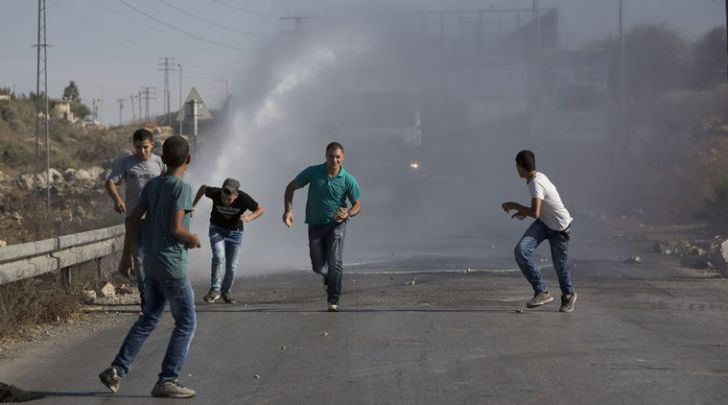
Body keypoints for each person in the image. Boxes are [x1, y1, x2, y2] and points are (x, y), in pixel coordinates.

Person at [99, 135, 201, 398]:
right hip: (171, 266)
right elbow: (176, 228)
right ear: (188, 160)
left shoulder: (154, 185)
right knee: (187, 322)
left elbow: (132, 220)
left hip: (152, 263)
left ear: (162, 160)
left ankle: (117, 369)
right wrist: (191, 238)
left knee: (149, 317)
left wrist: (126, 256)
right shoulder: (182, 189)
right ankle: (167, 379)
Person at [283, 142, 361, 312]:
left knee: (336, 261)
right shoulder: (313, 172)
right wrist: (288, 210)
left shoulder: (348, 179)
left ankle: (333, 298)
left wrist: (348, 213)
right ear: (325, 156)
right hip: (315, 224)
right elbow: (290, 187)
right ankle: (327, 277)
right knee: (318, 266)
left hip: (337, 225)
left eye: (338, 156)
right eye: (331, 156)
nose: (334, 160)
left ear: (343, 157)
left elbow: (357, 205)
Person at [501, 150, 577, 312]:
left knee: (560, 265)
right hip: (544, 223)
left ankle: (568, 295)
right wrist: (523, 212)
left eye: (516, 166)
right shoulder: (535, 179)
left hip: (559, 227)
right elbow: (539, 211)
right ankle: (541, 291)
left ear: (522, 167)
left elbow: (535, 212)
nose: (516, 169)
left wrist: (514, 205)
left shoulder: (536, 183)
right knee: (521, 250)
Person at [105, 128, 165, 303]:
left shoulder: (160, 163)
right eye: (138, 147)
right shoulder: (126, 163)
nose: (142, 151)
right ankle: (145, 295)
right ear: (134, 146)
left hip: (156, 219)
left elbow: (171, 184)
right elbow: (110, 182)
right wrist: (117, 200)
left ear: (152, 145)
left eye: (145, 147)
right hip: (134, 219)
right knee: (138, 259)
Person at [192, 178, 265, 304]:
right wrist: (193, 205)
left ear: (236, 195)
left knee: (232, 266)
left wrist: (249, 217)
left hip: (235, 233)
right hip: (217, 229)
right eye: (224, 197)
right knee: (219, 256)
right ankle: (215, 289)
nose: (226, 201)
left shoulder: (244, 198)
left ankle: (226, 291)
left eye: (229, 199)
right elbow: (203, 188)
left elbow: (260, 209)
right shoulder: (215, 192)